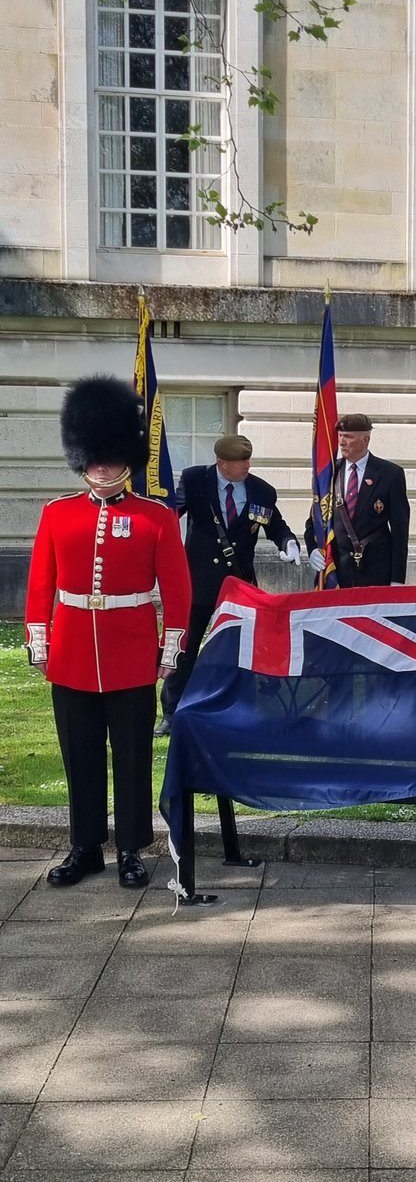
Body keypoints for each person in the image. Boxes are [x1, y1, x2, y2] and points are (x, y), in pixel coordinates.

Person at [25, 375, 191, 888]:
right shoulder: (58, 514)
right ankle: (85, 846)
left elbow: (178, 590)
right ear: (83, 457)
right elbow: (40, 584)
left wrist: (170, 648)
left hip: (131, 653)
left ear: (126, 458)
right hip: (72, 653)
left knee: (132, 755)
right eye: (94, 457)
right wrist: (39, 639)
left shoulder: (155, 517)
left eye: (110, 456)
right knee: (80, 755)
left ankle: (130, 848)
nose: (102, 466)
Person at [156, 433, 301, 735]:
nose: (246, 466)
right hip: (197, 582)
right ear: (222, 462)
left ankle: (239, 705)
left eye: (248, 460)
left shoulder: (262, 490)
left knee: (240, 650)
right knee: (185, 649)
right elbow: (169, 513)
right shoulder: (195, 480)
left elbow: (276, 525)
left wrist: (288, 543)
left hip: (238, 586)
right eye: (240, 462)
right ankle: (172, 712)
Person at [305, 413, 410, 587]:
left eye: (348, 437)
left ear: (365, 439)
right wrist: (312, 548)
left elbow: (400, 532)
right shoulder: (329, 473)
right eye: (340, 436)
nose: (341, 442)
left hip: (376, 572)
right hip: (337, 573)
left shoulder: (390, 474)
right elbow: (314, 521)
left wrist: (397, 580)